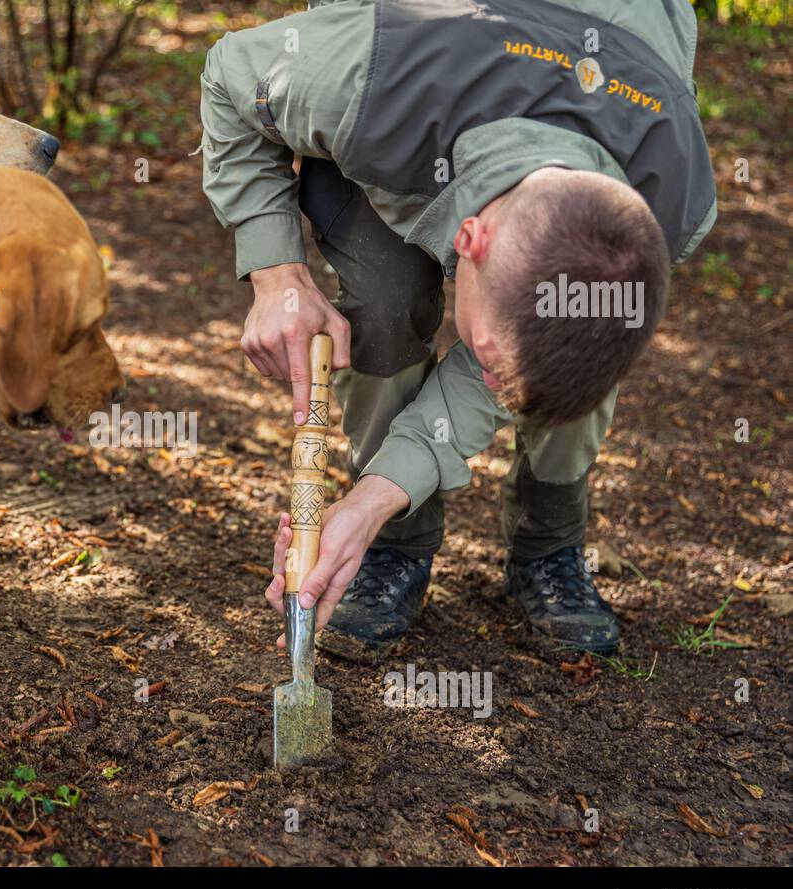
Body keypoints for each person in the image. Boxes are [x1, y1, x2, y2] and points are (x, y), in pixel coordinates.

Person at [199, 0, 716, 655]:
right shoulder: (365, 78)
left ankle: (549, 540)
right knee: (386, 301)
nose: (492, 386)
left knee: (578, 351)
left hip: (599, 70)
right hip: (407, 103)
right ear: (466, 237)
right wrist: (275, 271)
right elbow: (229, 75)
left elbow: (523, 357)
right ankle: (398, 547)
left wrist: (371, 497)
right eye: (492, 366)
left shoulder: (674, 192)